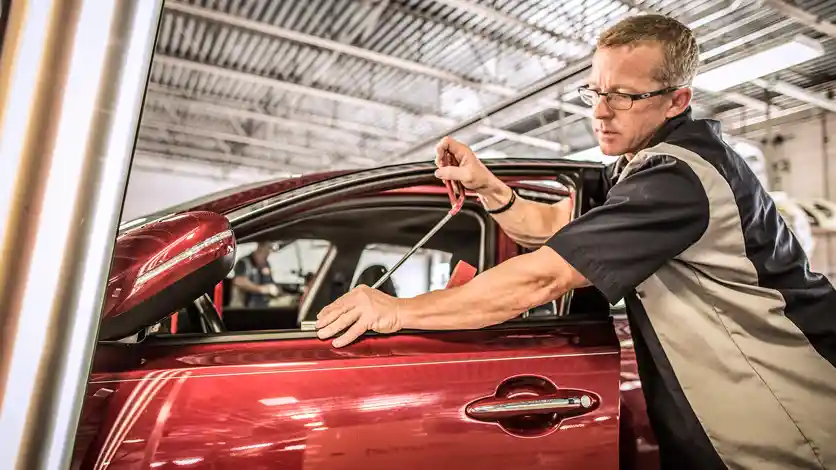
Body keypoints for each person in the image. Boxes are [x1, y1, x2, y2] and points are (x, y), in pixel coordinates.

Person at [314, 13, 836, 470]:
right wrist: (489, 188)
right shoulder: (640, 167)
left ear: (678, 100)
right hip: (735, 416)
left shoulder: (679, 179)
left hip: (788, 420)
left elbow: (544, 275)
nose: (601, 112)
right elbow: (556, 228)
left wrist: (397, 310)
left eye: (625, 96)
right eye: (596, 91)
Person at [230, 241, 280, 308]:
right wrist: (263, 289)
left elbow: (270, 283)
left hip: (261, 307)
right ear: (259, 250)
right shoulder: (244, 262)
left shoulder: (266, 264)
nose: (267, 256)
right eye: (266, 254)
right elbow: (239, 282)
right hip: (243, 308)